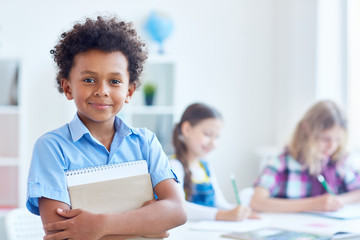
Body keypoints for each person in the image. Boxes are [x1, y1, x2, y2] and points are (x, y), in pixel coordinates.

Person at [26, 16, 186, 240]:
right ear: (67, 87)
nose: (102, 90)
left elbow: (177, 212)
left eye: (115, 81)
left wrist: (101, 224)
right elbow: (62, 234)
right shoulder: (52, 148)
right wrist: (148, 225)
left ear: (129, 92)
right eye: (89, 80)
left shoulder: (145, 142)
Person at [250, 100, 360, 212]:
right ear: (306, 129)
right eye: (325, 138)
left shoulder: (339, 163)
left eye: (337, 140)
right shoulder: (281, 163)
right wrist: (314, 204)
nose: (332, 146)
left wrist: (339, 200)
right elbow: (257, 202)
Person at [170, 103, 258, 221]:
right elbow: (179, 207)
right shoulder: (174, 166)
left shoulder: (206, 167)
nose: (213, 142)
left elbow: (219, 203)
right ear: (186, 129)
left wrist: (238, 211)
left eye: (217, 137)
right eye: (207, 134)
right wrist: (221, 215)